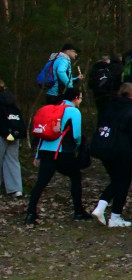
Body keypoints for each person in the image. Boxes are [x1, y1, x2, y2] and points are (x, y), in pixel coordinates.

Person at [26, 86, 87, 225]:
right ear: (76, 97)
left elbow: (42, 134)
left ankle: (30, 213)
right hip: (62, 152)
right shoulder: (74, 111)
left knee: (41, 183)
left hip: (46, 151)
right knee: (76, 177)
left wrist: (37, 155)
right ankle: (78, 211)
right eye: (81, 98)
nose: (81, 101)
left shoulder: (53, 108)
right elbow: (77, 135)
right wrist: (77, 147)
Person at [90, 83, 132, 228]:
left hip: (104, 147)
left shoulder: (109, 106)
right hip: (121, 149)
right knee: (123, 181)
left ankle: (101, 207)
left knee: (115, 180)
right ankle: (115, 216)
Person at [0, 80, 25, 198]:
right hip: (14, 132)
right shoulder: (9, 97)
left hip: (2, 133)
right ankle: (16, 189)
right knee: (13, 160)